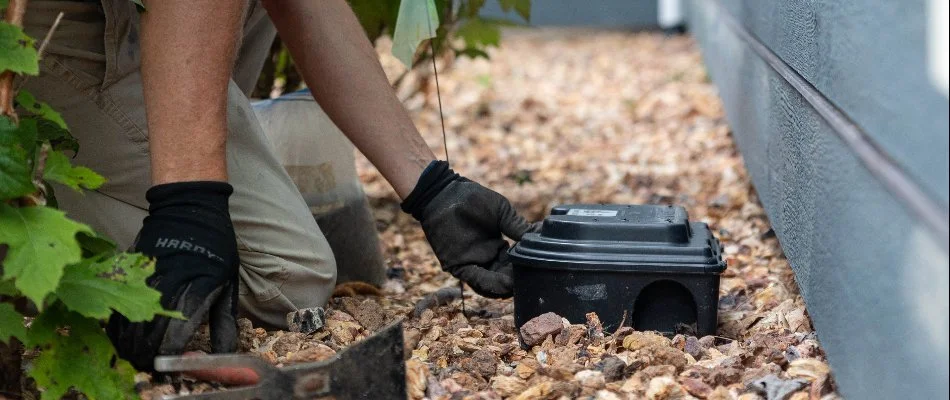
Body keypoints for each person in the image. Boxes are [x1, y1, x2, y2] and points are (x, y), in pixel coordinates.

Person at [21, 0, 536, 371]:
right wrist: (188, 201)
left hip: (156, 19)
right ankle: (28, 215)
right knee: (285, 279)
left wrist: (432, 189)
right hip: (48, 27)